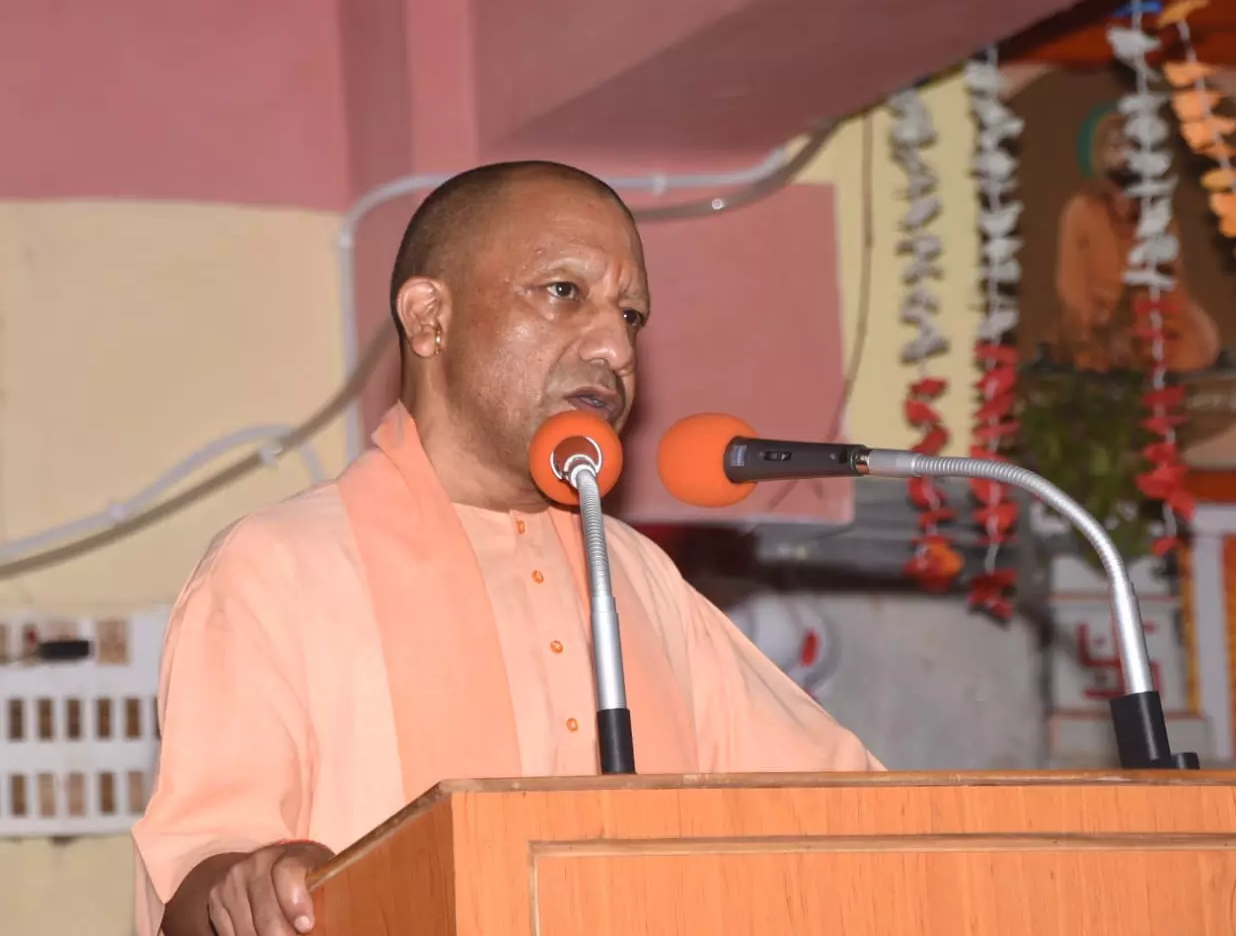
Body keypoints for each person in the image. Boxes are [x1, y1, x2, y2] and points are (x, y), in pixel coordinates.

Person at [131, 161, 881, 936]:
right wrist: (251, 882)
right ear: (428, 319)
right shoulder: (278, 566)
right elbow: (198, 879)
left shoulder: (632, 576)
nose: (614, 349)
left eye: (630, 316)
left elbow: (845, 812)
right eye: (564, 293)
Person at [1053, 107, 1223, 374]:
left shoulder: (1159, 212)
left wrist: (1151, 320)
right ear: (1099, 155)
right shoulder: (1080, 209)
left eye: (1133, 148)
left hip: (1149, 315)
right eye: (1115, 147)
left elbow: (1173, 279)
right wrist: (1102, 324)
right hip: (1098, 319)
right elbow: (1071, 283)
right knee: (1087, 349)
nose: (1124, 156)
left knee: (1200, 342)